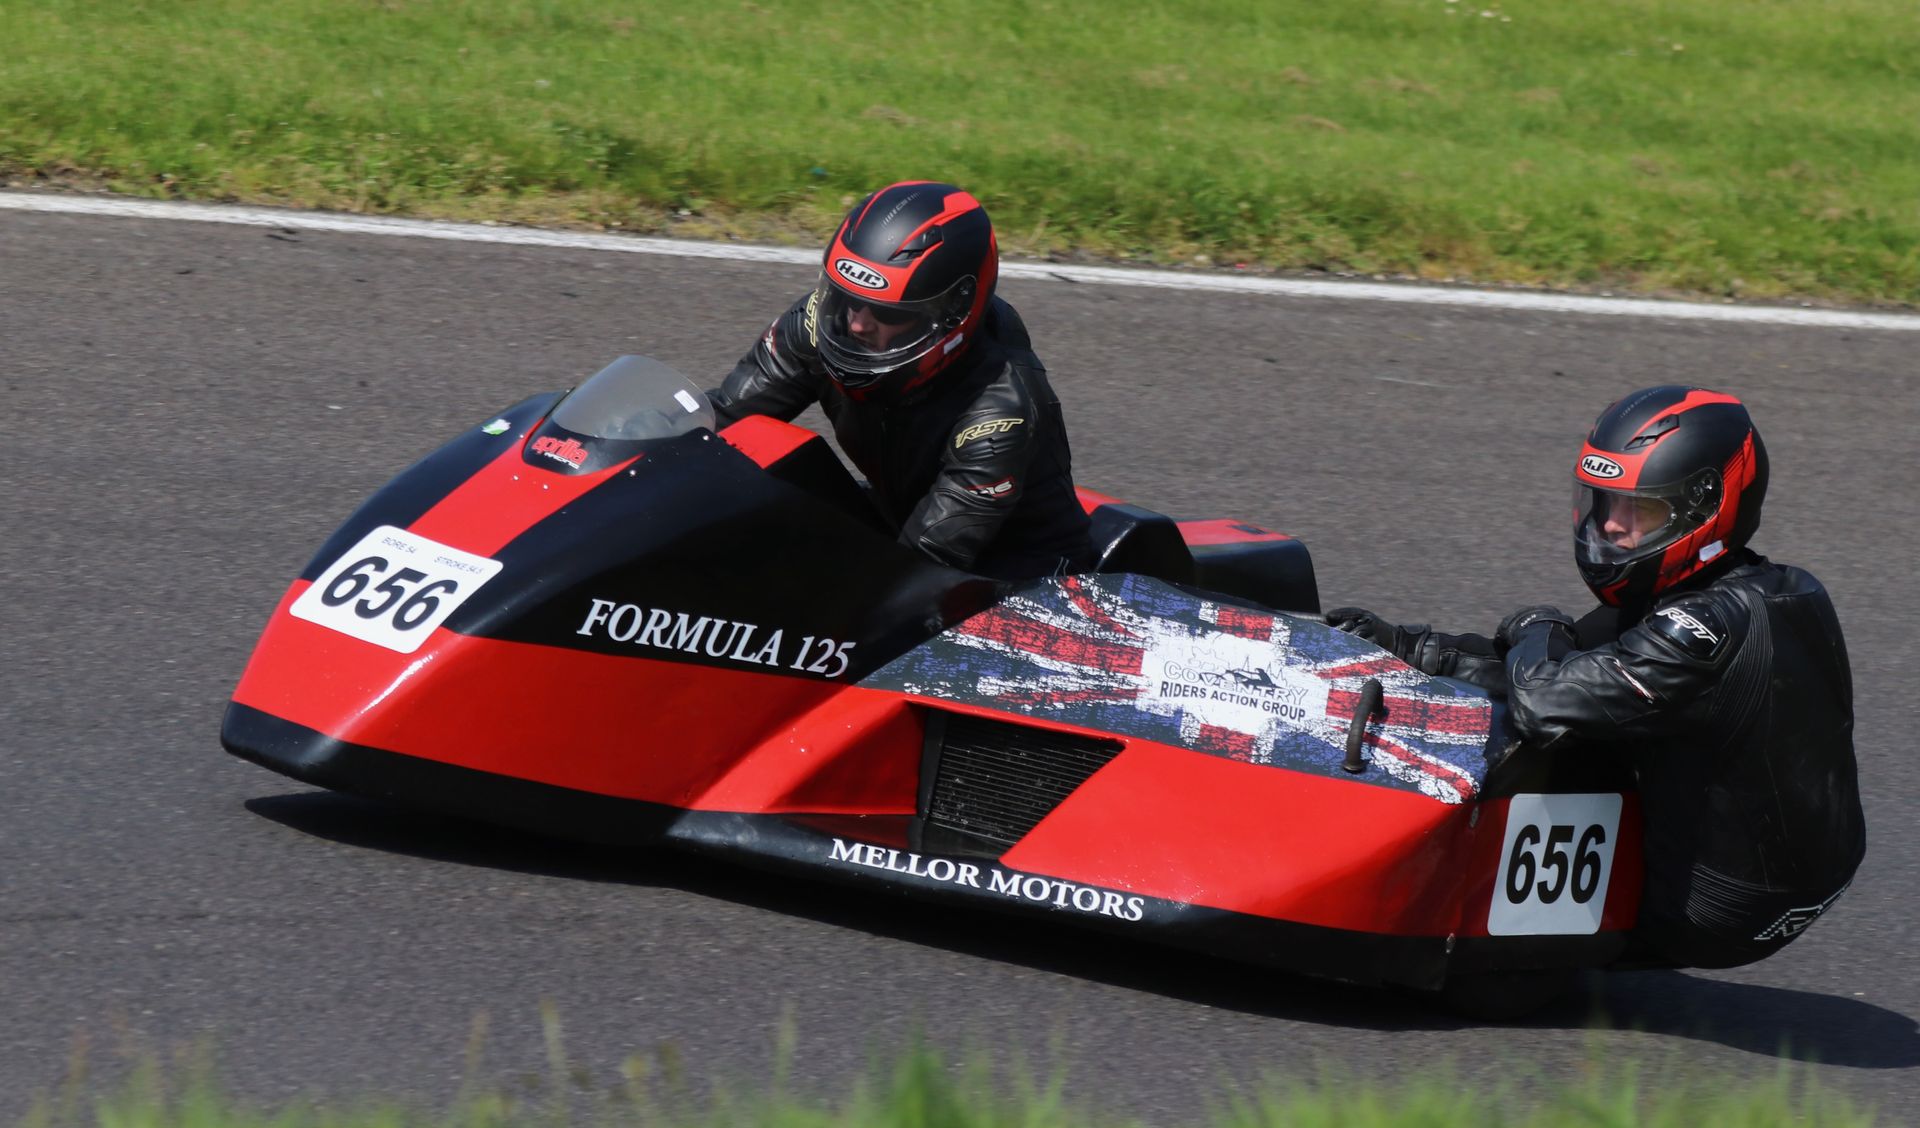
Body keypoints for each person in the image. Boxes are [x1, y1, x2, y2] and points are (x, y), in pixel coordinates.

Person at [1328, 386, 1865, 969]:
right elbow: (1571, 666)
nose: (1611, 528)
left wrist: (1539, 624)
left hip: (1717, 907)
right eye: (1606, 505)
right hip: (1792, 871)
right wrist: (1408, 648)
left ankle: (1451, 917)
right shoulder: (1783, 589)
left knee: (1534, 738)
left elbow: (1542, 699)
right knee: (1579, 689)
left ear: (1704, 505)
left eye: (1640, 510)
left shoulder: (1700, 631)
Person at [706, 180, 1093, 580]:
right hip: (900, 521)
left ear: (951, 311)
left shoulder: (998, 413)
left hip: (1017, 582)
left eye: (887, 313)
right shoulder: (821, 325)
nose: (856, 324)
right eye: (848, 299)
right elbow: (718, 419)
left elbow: (922, 567)